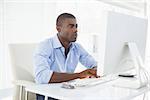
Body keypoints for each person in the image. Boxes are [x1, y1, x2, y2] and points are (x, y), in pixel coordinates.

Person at [34, 13, 99, 100]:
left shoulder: (77, 47)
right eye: (71, 26)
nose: (76, 30)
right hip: (48, 94)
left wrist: (95, 71)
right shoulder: (45, 45)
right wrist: (79, 75)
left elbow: (94, 65)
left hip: (66, 92)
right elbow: (42, 76)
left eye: (76, 26)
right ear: (58, 28)